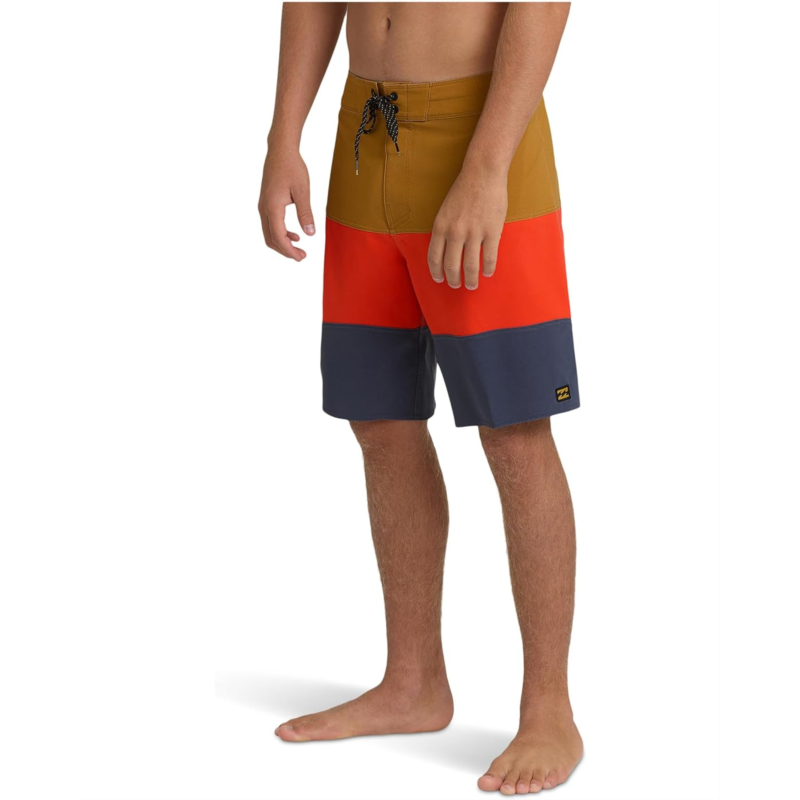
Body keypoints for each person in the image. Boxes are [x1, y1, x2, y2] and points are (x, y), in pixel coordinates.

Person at [258, 2, 582, 794]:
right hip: (367, 134)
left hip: (480, 136)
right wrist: (283, 136)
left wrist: (489, 165)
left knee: (514, 431)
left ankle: (549, 709)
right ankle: (412, 683)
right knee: (380, 418)